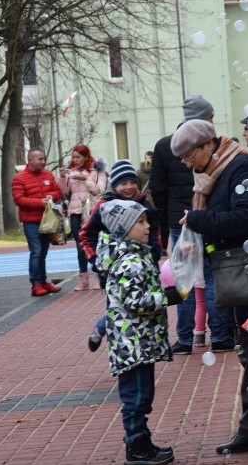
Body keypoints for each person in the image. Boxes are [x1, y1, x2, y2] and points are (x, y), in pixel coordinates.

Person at [174, 120, 248, 456]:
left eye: (189, 156)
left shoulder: (241, 167)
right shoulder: (212, 174)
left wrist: (198, 222)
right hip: (235, 273)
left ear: (208, 145)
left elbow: (246, 218)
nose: (188, 164)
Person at [96, 199, 182, 465]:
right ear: (123, 229)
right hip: (133, 344)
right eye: (141, 222)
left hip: (137, 342)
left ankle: (141, 441)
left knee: (142, 396)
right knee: (137, 397)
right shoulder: (130, 261)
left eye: (147, 221)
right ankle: (137, 446)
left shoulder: (136, 255)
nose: (148, 227)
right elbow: (135, 301)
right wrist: (167, 297)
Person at [149, 94, 213, 352]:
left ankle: (185, 338)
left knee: (183, 278)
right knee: (211, 276)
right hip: (206, 217)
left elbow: (157, 188)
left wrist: (166, 221)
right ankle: (219, 335)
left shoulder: (164, 146)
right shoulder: (210, 145)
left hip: (178, 218)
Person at [78, 160, 161, 351]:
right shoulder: (104, 206)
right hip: (112, 270)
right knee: (119, 307)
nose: (129, 187)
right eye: (123, 183)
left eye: (132, 182)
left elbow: (154, 228)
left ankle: (143, 348)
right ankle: (111, 340)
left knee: (142, 305)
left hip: (143, 267)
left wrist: (155, 250)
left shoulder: (143, 203)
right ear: (114, 185)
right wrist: (95, 260)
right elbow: (85, 234)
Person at [12, 148, 63, 297]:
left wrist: (50, 196)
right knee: (36, 252)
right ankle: (36, 284)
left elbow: (57, 192)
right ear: (30, 160)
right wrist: (39, 202)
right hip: (31, 221)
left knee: (43, 253)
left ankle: (43, 281)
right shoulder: (19, 178)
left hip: (47, 220)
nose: (43, 161)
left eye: (43, 158)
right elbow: (19, 199)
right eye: (39, 159)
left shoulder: (48, 174)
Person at [58, 144, 107, 291]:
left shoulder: (97, 170)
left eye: (78, 157)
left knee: (95, 242)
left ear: (86, 157)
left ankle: (98, 275)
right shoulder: (71, 171)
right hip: (75, 212)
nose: (75, 160)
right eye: (73, 157)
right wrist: (62, 178)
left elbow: (99, 190)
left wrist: (86, 178)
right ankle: (83, 277)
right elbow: (65, 190)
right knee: (80, 244)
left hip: (91, 211)